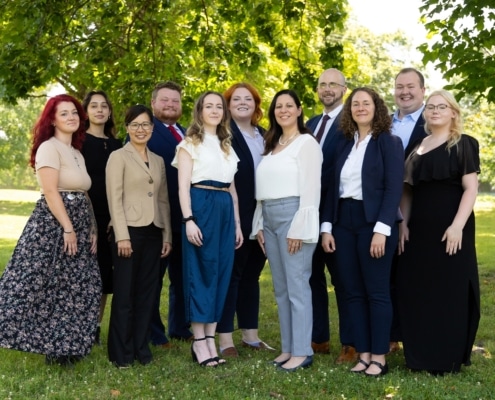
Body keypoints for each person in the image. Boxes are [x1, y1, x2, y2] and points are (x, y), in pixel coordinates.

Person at [0, 94, 101, 367]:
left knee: (79, 286)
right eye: (63, 113)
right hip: (53, 226)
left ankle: (66, 346)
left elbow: (83, 193)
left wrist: (92, 228)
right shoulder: (49, 147)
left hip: (80, 223)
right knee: (38, 285)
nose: (71, 117)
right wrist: (68, 228)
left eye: (74, 112)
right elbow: (50, 191)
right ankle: (49, 345)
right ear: (53, 120)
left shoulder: (76, 152)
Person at [321, 87, 404, 376]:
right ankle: (364, 353)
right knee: (352, 292)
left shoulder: (389, 142)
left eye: (366, 103)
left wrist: (382, 229)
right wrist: (327, 227)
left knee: (377, 292)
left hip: (374, 223)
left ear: (376, 107)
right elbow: (333, 188)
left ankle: (379, 356)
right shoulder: (345, 144)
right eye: (355, 104)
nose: (360, 108)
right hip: (343, 223)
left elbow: (393, 188)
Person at [397, 90, 480, 375]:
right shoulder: (416, 146)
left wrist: (457, 226)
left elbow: (470, 189)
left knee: (448, 290)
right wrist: (403, 223)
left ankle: (446, 358)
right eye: (431, 107)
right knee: (417, 287)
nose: (435, 111)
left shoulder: (464, 144)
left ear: (453, 112)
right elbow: (408, 190)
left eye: (441, 107)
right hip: (418, 230)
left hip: (450, 228)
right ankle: (418, 355)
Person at [253, 89, 322, 372]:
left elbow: (311, 188)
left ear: (299, 110)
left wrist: (299, 228)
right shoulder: (272, 144)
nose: (283, 110)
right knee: (281, 289)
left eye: (289, 105)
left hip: (294, 215)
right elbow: (264, 188)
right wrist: (259, 223)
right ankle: (288, 348)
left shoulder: (306, 143)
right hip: (269, 216)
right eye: (278, 106)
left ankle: (303, 352)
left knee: (297, 286)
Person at [172, 91, 243, 367]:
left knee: (221, 273)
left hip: (224, 208)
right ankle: (199, 341)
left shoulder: (227, 145)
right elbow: (182, 187)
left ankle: (211, 339)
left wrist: (237, 224)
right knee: (201, 273)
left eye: (219, 107)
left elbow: (232, 189)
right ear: (200, 111)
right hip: (201, 205)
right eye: (208, 106)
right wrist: (189, 220)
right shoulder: (189, 144)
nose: (214, 110)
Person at [106, 104, 172, 368]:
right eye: (135, 125)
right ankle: (120, 353)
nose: (140, 129)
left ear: (152, 128)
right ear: (127, 128)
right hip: (128, 232)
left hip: (154, 232)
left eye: (145, 124)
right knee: (125, 294)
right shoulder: (118, 157)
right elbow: (114, 199)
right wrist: (122, 236)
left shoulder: (158, 160)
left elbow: (163, 200)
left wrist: (167, 235)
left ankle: (141, 349)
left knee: (147, 295)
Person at [216, 83, 274, 357]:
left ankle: (251, 336)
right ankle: (225, 339)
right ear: (228, 106)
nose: (242, 102)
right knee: (232, 276)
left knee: (252, 275)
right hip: (235, 215)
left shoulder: (266, 135)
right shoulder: (222, 135)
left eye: (248, 99)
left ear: (256, 104)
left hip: (263, 217)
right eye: (236, 99)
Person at [306, 68, 357, 363]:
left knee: (343, 279)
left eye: (333, 84)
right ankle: (319, 338)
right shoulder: (310, 124)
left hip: (338, 213)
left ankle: (350, 342)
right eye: (322, 84)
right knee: (312, 277)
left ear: (344, 89)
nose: (327, 89)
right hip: (309, 211)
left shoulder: (352, 122)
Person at [148, 81, 193, 347]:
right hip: (157, 217)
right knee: (154, 280)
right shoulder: (145, 131)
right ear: (153, 103)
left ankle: (180, 327)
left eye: (175, 101)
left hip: (185, 219)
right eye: (165, 100)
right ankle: (153, 332)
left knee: (182, 278)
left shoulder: (187, 133)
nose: (170, 105)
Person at [389, 68, 428, 352]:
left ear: (422, 90)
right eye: (400, 87)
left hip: (422, 208)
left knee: (416, 275)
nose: (405, 92)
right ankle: (391, 335)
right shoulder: (384, 123)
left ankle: (416, 334)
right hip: (382, 210)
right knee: (388, 274)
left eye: (411, 86)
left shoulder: (432, 120)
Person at [81, 90, 122, 345]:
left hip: (113, 216)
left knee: (105, 274)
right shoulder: (79, 142)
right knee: (86, 273)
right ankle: (81, 324)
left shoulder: (118, 145)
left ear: (109, 112)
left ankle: (94, 327)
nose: (99, 110)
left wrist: (116, 216)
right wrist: (89, 220)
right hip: (86, 213)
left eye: (104, 106)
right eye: (94, 106)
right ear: (86, 112)